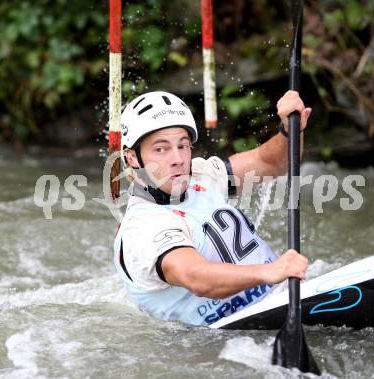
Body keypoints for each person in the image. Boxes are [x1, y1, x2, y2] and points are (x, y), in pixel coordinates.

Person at [113, 90, 312, 326]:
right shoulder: (144, 227)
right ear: (133, 158)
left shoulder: (200, 174)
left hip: (278, 299)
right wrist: (268, 272)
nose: (178, 159)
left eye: (183, 145)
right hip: (224, 340)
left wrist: (290, 128)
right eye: (161, 149)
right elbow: (196, 276)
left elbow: (272, 162)